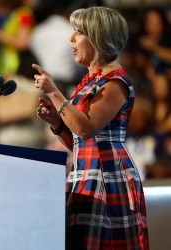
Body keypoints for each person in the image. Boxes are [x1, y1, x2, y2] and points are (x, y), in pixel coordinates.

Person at [32, 6, 149, 249]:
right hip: (86, 171)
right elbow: (79, 141)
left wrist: (54, 92)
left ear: (98, 37)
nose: (71, 38)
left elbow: (87, 129)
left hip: (107, 175)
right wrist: (56, 122)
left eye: (78, 32)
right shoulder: (91, 81)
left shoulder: (114, 81)